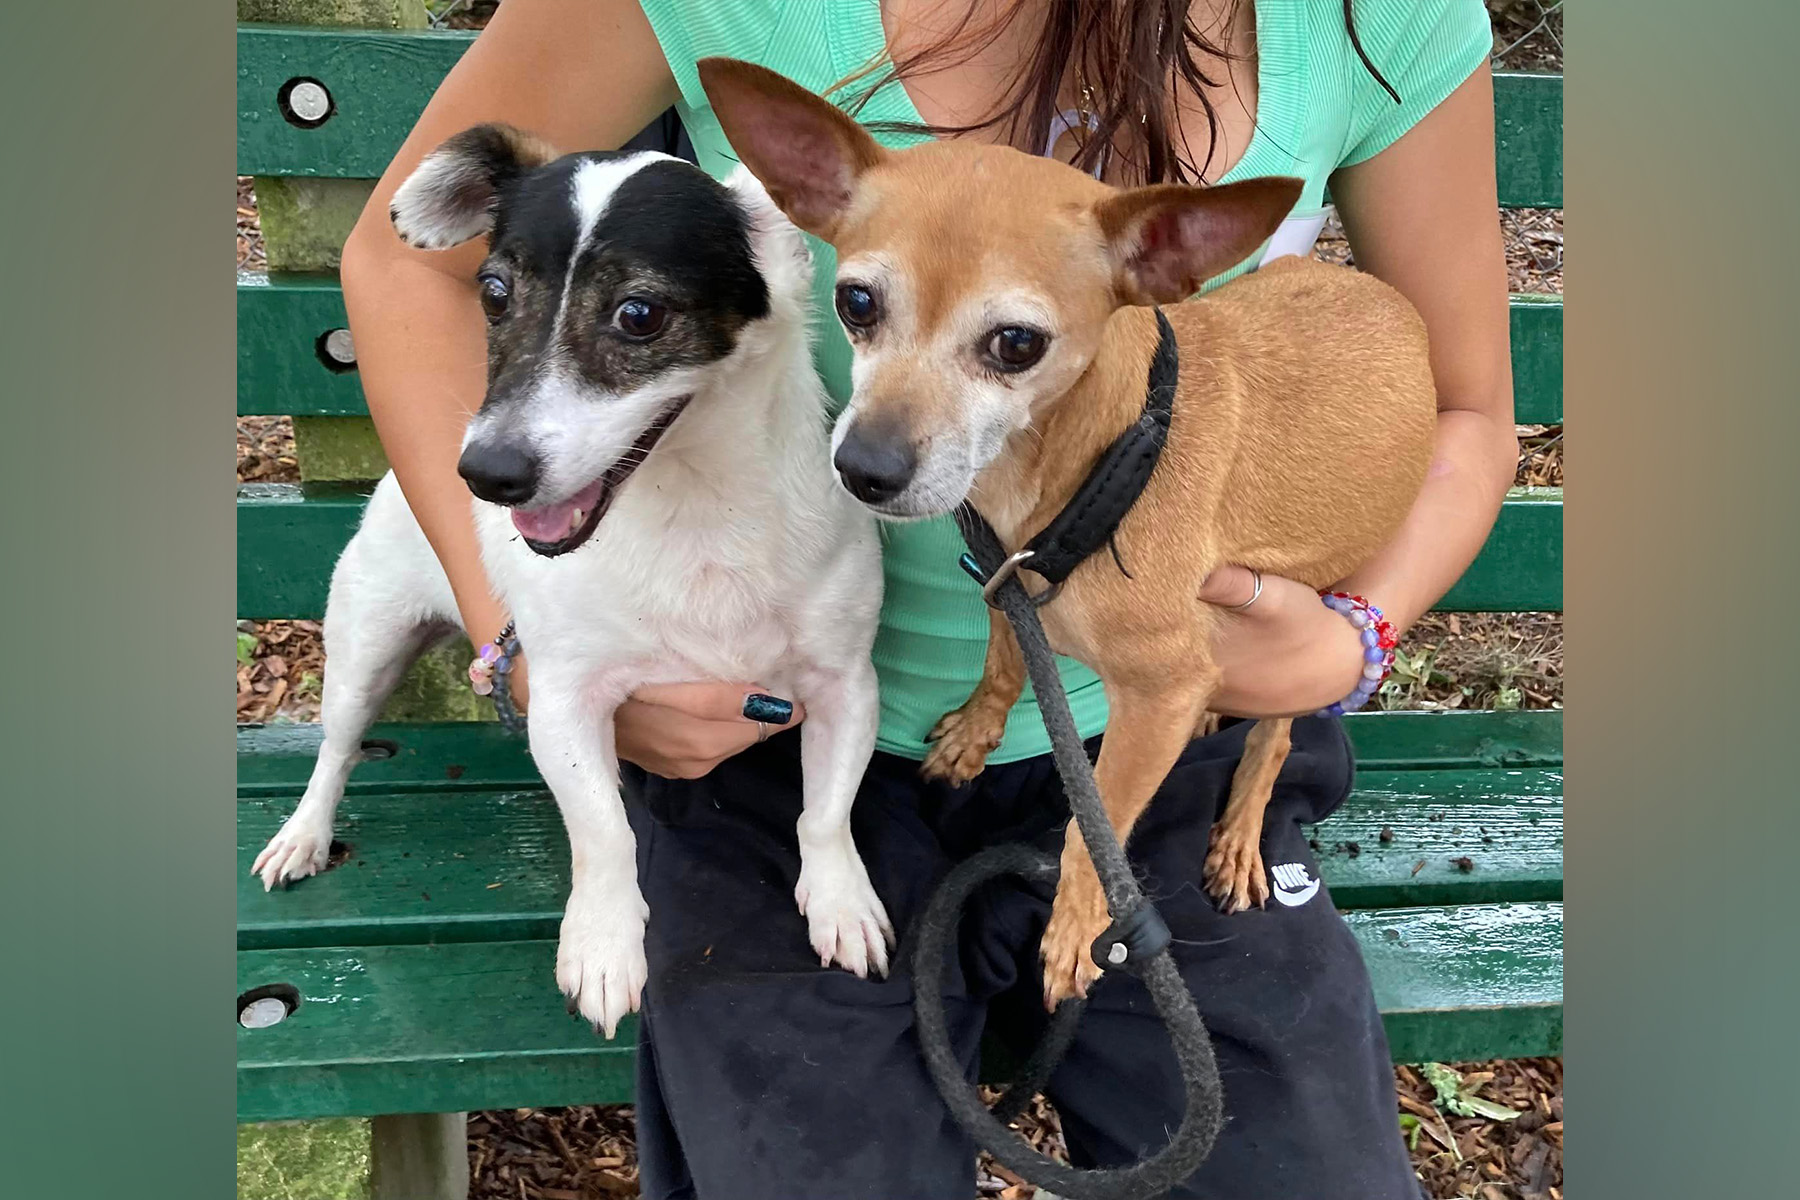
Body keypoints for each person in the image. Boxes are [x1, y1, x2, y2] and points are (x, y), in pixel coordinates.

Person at [338, 1, 1515, 1195]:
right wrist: (520, 645)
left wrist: (1355, 635)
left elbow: (1467, 406)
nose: (883, 438)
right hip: (767, 756)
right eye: (863, 305)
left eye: (1005, 347)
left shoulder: (1380, 19)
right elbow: (404, 262)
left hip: (1164, 748)